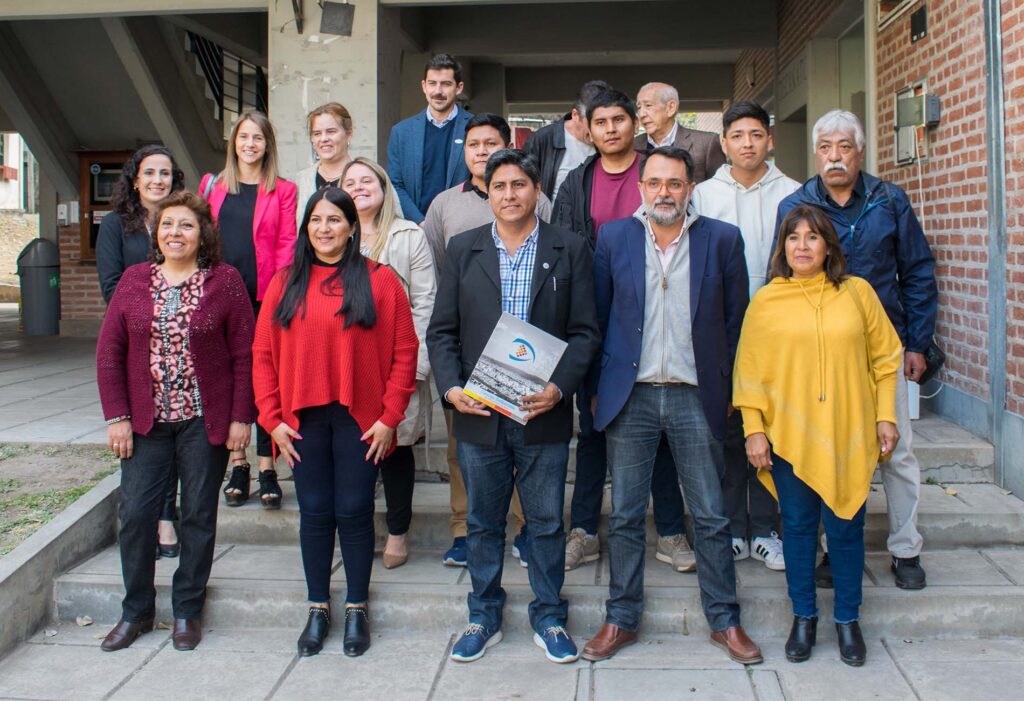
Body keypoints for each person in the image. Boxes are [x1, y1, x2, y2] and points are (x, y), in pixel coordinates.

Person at [582, 146, 757, 665]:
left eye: (675, 184)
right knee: (629, 514)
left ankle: (725, 621)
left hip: (693, 393)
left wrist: (726, 392)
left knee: (709, 513)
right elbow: (597, 319)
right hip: (629, 397)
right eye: (655, 182)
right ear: (641, 187)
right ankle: (621, 619)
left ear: (690, 189)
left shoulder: (721, 240)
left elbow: (735, 323)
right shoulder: (613, 238)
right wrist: (595, 390)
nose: (664, 192)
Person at [427, 149, 600, 664]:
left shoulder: (569, 248)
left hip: (541, 410)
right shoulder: (464, 248)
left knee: (545, 522)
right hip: (479, 413)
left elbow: (586, 333)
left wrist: (560, 388)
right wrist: (452, 388)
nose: (509, 195)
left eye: (519, 185)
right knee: (482, 520)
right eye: (499, 186)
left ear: (536, 190)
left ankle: (549, 615)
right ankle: (483, 614)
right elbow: (442, 331)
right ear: (488, 191)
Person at [775, 109, 937, 591]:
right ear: (815, 153)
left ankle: (906, 549)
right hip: (819, 354)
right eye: (825, 147)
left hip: (883, 350)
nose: (834, 156)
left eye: (844, 146)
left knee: (898, 453)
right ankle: (829, 550)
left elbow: (918, 272)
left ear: (860, 151)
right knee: (826, 451)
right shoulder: (797, 204)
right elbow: (780, 277)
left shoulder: (890, 200)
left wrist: (918, 343)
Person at [733, 204, 902, 666]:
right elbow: (749, 373)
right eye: (793, 237)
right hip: (789, 437)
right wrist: (754, 431)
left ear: (829, 245)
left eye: (812, 237)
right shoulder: (768, 300)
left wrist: (886, 417)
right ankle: (803, 618)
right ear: (782, 247)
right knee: (801, 531)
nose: (802, 246)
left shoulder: (858, 293)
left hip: (849, 433)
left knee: (847, 530)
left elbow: (887, 360)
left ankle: (848, 619)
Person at [252, 187, 418, 658]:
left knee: (354, 510)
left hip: (360, 421)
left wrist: (390, 417)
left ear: (351, 226)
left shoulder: (381, 281)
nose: (324, 228)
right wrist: (271, 419)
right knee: (315, 512)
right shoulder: (285, 282)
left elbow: (405, 353)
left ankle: (358, 607)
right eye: (316, 220)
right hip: (300, 419)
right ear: (306, 227)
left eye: (334, 219)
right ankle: (319, 605)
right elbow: (262, 356)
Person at [96, 191, 255, 653]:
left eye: (185, 225)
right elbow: (110, 354)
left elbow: (246, 356)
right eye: (167, 225)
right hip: (146, 423)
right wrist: (117, 417)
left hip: (204, 420)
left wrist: (242, 418)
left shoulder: (224, 282)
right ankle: (136, 612)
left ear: (202, 233)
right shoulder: (132, 281)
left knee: (199, 515)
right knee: (137, 515)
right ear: (156, 233)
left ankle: (187, 608)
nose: (175, 233)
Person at [555, 89, 692, 573]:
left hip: (655, 316)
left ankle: (671, 532)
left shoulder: (660, 167)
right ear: (586, 129)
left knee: (657, 430)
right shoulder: (576, 181)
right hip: (595, 319)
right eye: (601, 122)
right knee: (593, 428)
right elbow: (568, 249)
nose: (611, 128)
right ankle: (584, 531)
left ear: (635, 123)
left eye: (619, 119)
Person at [423, 112, 552, 568]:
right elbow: (437, 270)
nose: (481, 150)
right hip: (471, 347)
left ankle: (523, 530)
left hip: (527, 354)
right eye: (473, 143)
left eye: (490, 142)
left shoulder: (537, 200)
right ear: (464, 151)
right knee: (468, 450)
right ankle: (464, 529)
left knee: (525, 445)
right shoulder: (444, 206)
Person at [693, 100, 800, 570]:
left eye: (756, 135)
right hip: (720, 329)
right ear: (724, 143)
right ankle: (734, 527)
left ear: (769, 140)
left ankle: (769, 528)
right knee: (728, 429)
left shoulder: (795, 194)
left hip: (781, 331)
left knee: (774, 431)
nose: (747, 144)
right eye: (737, 136)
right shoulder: (704, 196)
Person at [341, 157, 436, 570]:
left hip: (396, 363)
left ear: (384, 190)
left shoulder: (409, 236)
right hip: (344, 367)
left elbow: (425, 303)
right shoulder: (329, 234)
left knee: (395, 451)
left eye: (368, 181)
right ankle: (351, 531)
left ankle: (398, 533)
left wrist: (414, 367)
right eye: (351, 181)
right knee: (349, 452)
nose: (359, 187)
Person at [200, 111, 298, 510]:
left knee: (263, 380)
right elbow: (202, 239)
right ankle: (237, 464)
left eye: (258, 137)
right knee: (227, 377)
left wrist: (275, 297)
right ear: (234, 142)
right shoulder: (212, 185)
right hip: (220, 295)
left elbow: (287, 245)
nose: (250, 144)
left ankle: (267, 467)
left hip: (263, 298)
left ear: (267, 144)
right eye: (244, 137)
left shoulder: (284, 189)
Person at [95, 145, 186, 560]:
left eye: (164, 174)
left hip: (179, 346)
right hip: (136, 344)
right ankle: (139, 515)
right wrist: (152, 318)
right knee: (142, 432)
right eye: (149, 173)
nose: (157, 180)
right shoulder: (116, 226)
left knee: (172, 429)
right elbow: (113, 287)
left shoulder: (180, 222)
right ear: (135, 179)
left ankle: (167, 516)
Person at [387, 53, 473, 224]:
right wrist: (421, 222)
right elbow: (395, 185)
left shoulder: (475, 128)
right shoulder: (401, 132)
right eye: (432, 83)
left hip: (463, 228)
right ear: (424, 86)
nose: (438, 91)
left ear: (459, 88)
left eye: (446, 84)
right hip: (415, 229)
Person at [522, 80, 609, 202]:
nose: (597, 131)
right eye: (591, 124)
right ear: (575, 115)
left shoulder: (609, 141)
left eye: (601, 123)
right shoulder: (543, 139)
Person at [633, 82, 725, 183]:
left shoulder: (707, 143)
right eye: (639, 107)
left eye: (648, 105)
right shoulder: (633, 146)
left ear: (671, 108)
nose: (641, 114)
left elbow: (720, 189)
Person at [295, 102, 355, 221]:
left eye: (331, 131)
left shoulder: (368, 176)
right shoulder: (301, 180)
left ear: (348, 134)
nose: (324, 139)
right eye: (317, 133)